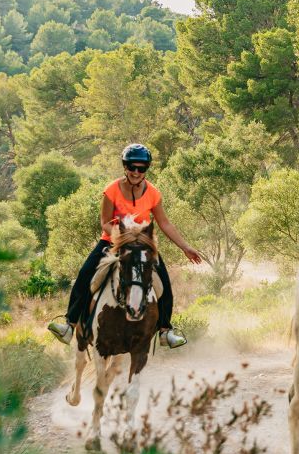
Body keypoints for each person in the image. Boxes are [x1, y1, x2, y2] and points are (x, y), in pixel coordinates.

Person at [48, 143, 202, 348]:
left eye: (142, 168)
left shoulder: (153, 193)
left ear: (146, 168)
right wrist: (121, 236)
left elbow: (164, 223)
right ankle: (69, 323)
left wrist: (185, 247)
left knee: (163, 284)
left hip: (143, 243)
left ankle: (166, 331)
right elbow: (104, 221)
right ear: (125, 166)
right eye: (132, 167)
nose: (136, 172)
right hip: (112, 240)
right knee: (85, 275)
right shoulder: (111, 190)